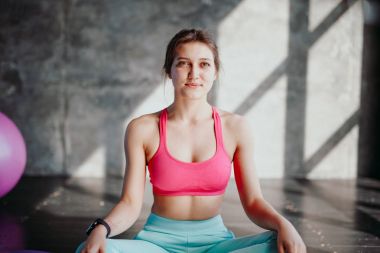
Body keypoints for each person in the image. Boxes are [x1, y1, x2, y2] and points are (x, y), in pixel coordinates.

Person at [76, 28, 306, 253]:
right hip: (157, 244)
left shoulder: (236, 127)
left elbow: (254, 201)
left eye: (204, 64)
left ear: (215, 72)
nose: (194, 73)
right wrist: (101, 229)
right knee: (91, 249)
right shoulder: (143, 129)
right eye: (183, 63)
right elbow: (130, 203)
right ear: (169, 70)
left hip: (216, 245)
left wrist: (284, 224)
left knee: (282, 244)